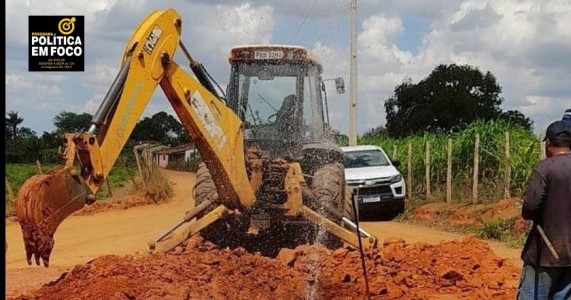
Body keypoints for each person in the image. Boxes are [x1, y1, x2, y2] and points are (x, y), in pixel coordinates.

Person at [517, 120, 571, 300]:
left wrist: (529, 213)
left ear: (548, 143)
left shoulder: (545, 167)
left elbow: (530, 206)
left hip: (545, 252)